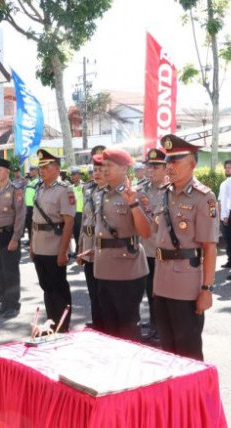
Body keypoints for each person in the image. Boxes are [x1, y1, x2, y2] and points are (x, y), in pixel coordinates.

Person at [152, 134, 218, 360]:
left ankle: (196, 396)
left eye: (176, 161)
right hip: (161, 280)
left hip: (187, 283)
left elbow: (209, 247)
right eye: (168, 161)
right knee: (167, 348)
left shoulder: (203, 197)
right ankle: (173, 395)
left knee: (188, 350)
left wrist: (207, 289)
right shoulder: (163, 194)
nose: (170, 166)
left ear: (192, 163)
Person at [93, 146, 151, 340]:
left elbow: (146, 232)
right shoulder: (100, 193)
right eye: (103, 165)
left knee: (127, 326)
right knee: (109, 326)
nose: (104, 169)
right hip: (103, 267)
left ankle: (131, 367)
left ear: (124, 169)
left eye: (109, 165)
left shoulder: (136, 194)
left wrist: (133, 204)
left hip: (127, 268)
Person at [29, 149, 75, 332]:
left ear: (56, 169)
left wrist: (63, 251)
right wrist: (32, 246)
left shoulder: (65, 190)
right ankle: (51, 324)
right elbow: (34, 221)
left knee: (59, 289)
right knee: (47, 288)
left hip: (55, 247)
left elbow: (69, 223)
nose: (42, 170)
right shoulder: (39, 188)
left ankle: (62, 327)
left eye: (46, 167)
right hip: (40, 246)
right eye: (40, 167)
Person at [0, 158, 25, 319]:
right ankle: (3, 302)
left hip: (9, 234)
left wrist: (16, 238)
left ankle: (13, 304)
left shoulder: (15, 190)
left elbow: (20, 215)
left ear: (7, 172)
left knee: (10, 271)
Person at [137, 148, 168, 340]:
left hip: (165, 250)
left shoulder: (171, 190)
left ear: (165, 168)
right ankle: (155, 323)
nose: (150, 170)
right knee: (149, 288)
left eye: (155, 166)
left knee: (163, 290)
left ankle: (163, 325)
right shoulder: (141, 190)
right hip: (146, 249)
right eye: (149, 166)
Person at [77, 145, 106, 330]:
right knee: (92, 289)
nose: (97, 172)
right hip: (88, 244)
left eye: (101, 167)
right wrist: (80, 246)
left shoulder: (114, 190)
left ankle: (106, 325)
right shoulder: (88, 188)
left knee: (104, 291)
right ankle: (97, 322)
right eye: (94, 168)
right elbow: (84, 219)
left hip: (103, 247)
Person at [23, 166, 40, 245]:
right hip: (27, 206)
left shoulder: (39, 181)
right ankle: (30, 240)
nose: (30, 171)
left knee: (34, 225)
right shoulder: (29, 181)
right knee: (29, 225)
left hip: (34, 207)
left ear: (36, 171)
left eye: (32, 170)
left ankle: (35, 241)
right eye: (30, 170)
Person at [70, 167, 84, 257]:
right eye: (72, 175)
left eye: (74, 174)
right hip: (73, 214)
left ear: (79, 175)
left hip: (82, 214)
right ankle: (77, 249)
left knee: (81, 234)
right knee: (75, 233)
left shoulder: (84, 186)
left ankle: (81, 250)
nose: (73, 176)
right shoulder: (71, 187)